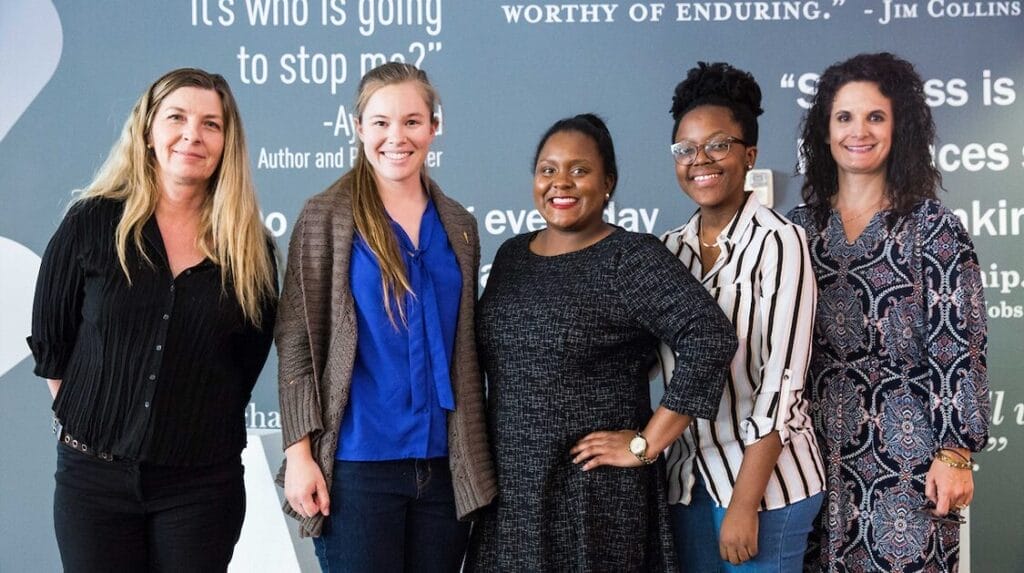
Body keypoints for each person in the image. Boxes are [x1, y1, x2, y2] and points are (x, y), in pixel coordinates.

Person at [27, 68, 278, 572]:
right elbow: (53, 345)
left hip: (201, 488)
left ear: (227, 142)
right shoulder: (91, 222)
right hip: (92, 483)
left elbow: (243, 367)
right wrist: (106, 424)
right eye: (177, 118)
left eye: (211, 124)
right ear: (147, 130)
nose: (192, 135)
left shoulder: (249, 250)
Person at [465, 113, 737, 572]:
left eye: (579, 170)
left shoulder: (629, 257)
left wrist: (646, 444)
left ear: (608, 183)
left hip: (593, 499)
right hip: (512, 495)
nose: (560, 183)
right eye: (547, 170)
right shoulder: (512, 255)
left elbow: (708, 336)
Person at [275, 62, 496, 572]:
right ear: (358, 128)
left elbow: (465, 346)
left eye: (412, 121)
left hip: (444, 467)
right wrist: (300, 453)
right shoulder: (325, 216)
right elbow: (296, 341)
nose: (396, 137)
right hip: (356, 467)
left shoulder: (459, 226)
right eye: (380, 122)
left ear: (434, 127)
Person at [786, 52, 990, 572]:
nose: (859, 131)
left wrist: (954, 453)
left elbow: (957, 347)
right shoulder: (796, 230)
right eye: (844, 117)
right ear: (824, 131)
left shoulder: (933, 228)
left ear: (899, 128)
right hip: (805, 461)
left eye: (875, 116)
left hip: (907, 459)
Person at [660, 62, 825, 572]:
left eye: (718, 145)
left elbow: (782, 387)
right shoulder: (668, 251)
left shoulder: (780, 242)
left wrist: (744, 504)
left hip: (766, 490)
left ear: (749, 154)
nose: (700, 160)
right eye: (685, 149)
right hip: (689, 483)